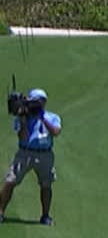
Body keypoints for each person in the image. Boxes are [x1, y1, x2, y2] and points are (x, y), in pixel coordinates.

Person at [0, 88, 62, 226]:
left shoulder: (52, 117)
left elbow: (56, 132)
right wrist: (23, 119)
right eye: (37, 101)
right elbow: (23, 137)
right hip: (25, 153)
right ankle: (0, 212)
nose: (40, 104)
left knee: (46, 185)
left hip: (45, 154)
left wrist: (42, 117)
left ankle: (45, 216)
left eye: (42, 101)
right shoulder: (22, 117)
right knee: (10, 181)